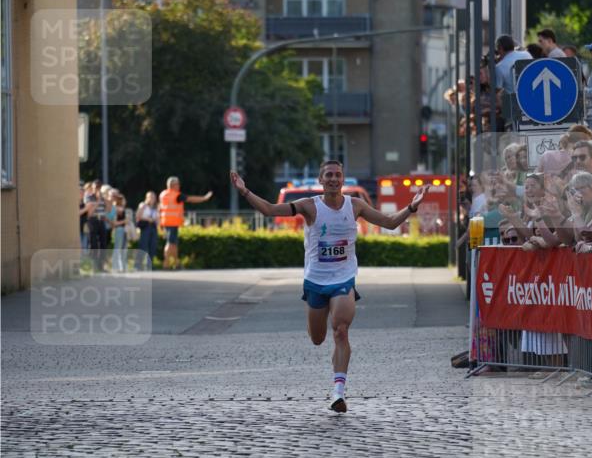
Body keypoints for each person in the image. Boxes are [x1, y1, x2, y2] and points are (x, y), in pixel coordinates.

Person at [230, 160, 430, 413]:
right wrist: (244, 191)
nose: (334, 179)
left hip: (343, 279)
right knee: (317, 338)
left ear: (343, 179)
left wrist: (412, 206)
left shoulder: (355, 205)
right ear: (321, 180)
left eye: (338, 175)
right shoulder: (309, 206)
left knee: (341, 331)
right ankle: (333, 370)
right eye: (329, 175)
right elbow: (270, 210)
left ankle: (338, 392)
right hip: (315, 281)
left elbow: (389, 223)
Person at [158, 176, 213, 269]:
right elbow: (190, 199)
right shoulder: (176, 195)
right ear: (173, 185)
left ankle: (176, 263)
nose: (179, 185)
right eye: (177, 184)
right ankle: (166, 264)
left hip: (166, 222)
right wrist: (204, 198)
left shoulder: (163, 194)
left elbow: (160, 208)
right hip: (172, 222)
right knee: (170, 243)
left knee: (174, 244)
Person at [136, 190, 159, 268]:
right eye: (150, 197)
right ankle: (138, 265)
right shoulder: (143, 205)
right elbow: (138, 216)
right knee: (143, 246)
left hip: (153, 227)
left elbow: (158, 218)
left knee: (153, 246)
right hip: (145, 227)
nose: (152, 199)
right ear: (147, 197)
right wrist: (148, 219)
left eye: (153, 197)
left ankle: (149, 265)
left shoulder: (155, 207)